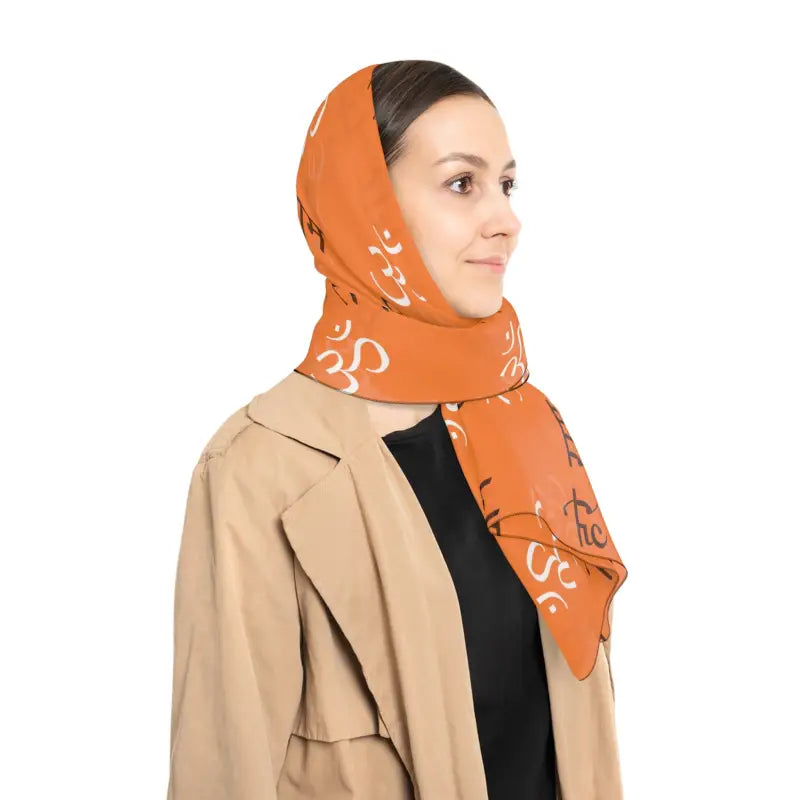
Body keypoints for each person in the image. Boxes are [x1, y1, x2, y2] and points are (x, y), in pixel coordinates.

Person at [166, 60, 627, 800]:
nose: (505, 220)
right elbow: (223, 772)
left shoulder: (529, 424)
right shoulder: (261, 466)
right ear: (366, 204)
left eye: (506, 184)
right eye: (461, 183)